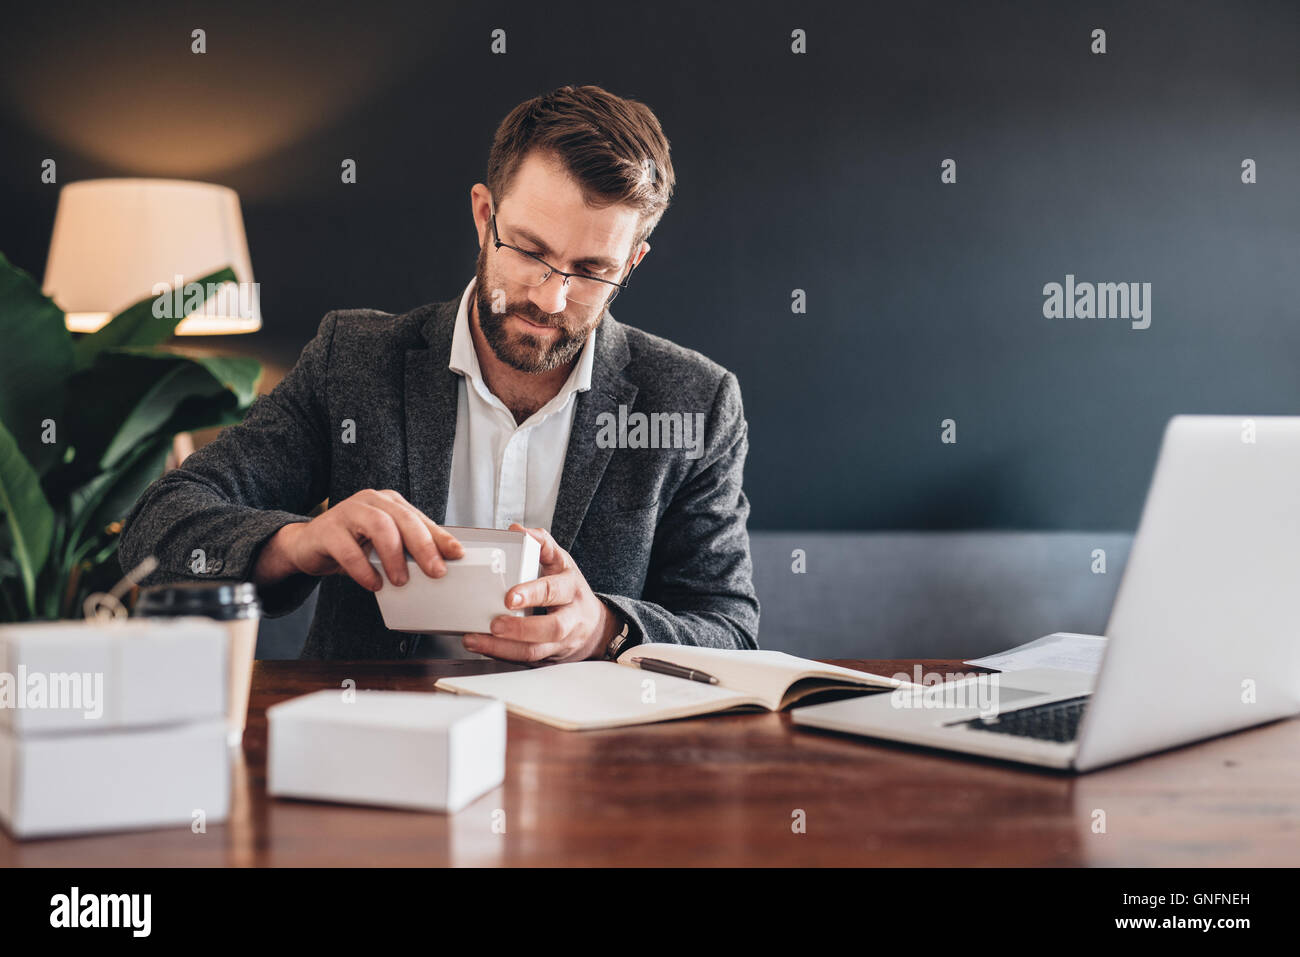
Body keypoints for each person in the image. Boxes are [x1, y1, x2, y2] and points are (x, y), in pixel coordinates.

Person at [119, 84, 759, 662]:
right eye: (530, 251)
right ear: (485, 216)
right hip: (374, 741)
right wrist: (299, 541)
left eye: (592, 271)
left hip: (590, 768)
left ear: (633, 263)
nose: (551, 298)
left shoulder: (695, 403)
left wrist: (602, 628)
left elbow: (730, 630)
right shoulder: (355, 361)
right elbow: (156, 531)